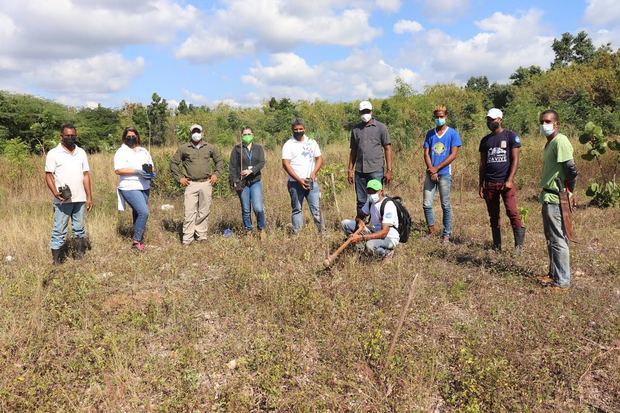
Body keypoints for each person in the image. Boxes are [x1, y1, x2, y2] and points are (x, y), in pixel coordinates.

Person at [538, 109, 577, 290]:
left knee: (559, 239)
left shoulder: (561, 141)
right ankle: (553, 274)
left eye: (547, 121)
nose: (544, 125)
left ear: (556, 124)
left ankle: (562, 282)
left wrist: (570, 191)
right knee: (551, 238)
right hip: (548, 195)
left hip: (556, 196)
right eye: (542, 121)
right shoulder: (550, 143)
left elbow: (571, 169)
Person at [478, 108, 526, 254]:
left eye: (492, 119)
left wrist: (510, 180)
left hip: (505, 183)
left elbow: (515, 160)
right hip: (490, 183)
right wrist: (481, 184)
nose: (490, 122)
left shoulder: (511, 136)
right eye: (488, 119)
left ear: (500, 119)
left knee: (512, 212)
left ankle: (518, 246)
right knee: (493, 215)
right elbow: (482, 164)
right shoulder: (485, 140)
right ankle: (497, 245)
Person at [44, 123, 93, 264]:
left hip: (80, 198)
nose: (70, 138)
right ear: (61, 136)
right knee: (59, 231)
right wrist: (55, 192)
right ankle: (57, 262)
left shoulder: (81, 152)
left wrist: (89, 196)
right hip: (63, 200)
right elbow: (48, 175)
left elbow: (86, 175)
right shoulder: (54, 153)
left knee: (79, 229)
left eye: (73, 136)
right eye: (67, 136)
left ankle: (79, 258)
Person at [170, 123, 224, 245]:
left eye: (198, 131)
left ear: (202, 133)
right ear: (190, 133)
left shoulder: (210, 147)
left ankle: (201, 236)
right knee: (189, 211)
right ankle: (187, 239)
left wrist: (216, 174)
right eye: (194, 132)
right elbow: (173, 163)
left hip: (206, 183)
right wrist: (179, 178)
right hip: (190, 184)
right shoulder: (184, 148)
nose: (196, 134)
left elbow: (219, 161)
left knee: (204, 211)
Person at [422, 104, 462, 242]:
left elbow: (453, 154)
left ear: (446, 116)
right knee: (427, 204)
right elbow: (426, 153)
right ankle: (431, 231)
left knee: (445, 204)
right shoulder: (430, 133)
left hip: (444, 173)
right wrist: (431, 169)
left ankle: (446, 233)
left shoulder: (452, 134)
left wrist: (437, 168)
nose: (439, 119)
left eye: (441, 116)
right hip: (430, 173)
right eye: (437, 116)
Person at [348, 100, 393, 215]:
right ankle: (361, 227)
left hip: (376, 169)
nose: (365, 114)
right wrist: (350, 170)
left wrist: (389, 170)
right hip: (360, 171)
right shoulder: (355, 130)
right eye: (363, 111)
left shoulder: (381, 127)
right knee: (361, 201)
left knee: (377, 199)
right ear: (359, 112)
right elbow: (353, 151)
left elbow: (387, 148)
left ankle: (379, 225)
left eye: (367, 111)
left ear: (371, 111)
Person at [114, 127, 155, 251]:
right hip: (129, 186)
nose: (131, 138)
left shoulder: (143, 151)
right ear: (124, 138)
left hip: (144, 185)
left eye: (133, 136)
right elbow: (118, 170)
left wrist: (151, 173)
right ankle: (136, 241)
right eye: (128, 136)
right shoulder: (121, 152)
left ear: (137, 136)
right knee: (144, 212)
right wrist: (136, 171)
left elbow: (151, 166)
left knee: (138, 213)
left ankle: (139, 240)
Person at [281, 117, 323, 234]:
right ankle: (297, 235)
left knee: (316, 210)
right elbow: (286, 164)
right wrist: (299, 180)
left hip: (311, 182)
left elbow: (319, 158)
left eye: (300, 129)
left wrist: (314, 172)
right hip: (295, 183)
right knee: (297, 209)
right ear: (292, 130)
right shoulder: (288, 144)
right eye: (296, 129)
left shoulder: (312, 142)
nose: (298, 131)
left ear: (304, 129)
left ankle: (323, 233)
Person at [341, 179, 399, 258]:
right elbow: (359, 216)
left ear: (381, 191)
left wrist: (361, 238)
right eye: (369, 192)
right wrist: (359, 221)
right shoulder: (370, 202)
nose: (371, 194)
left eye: (374, 192)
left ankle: (387, 253)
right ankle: (360, 249)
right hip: (374, 231)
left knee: (370, 246)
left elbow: (384, 232)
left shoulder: (388, 205)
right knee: (345, 224)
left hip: (389, 237)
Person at [229, 127, 266, 237]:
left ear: (253, 135)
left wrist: (251, 170)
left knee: (258, 208)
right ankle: (248, 231)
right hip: (242, 183)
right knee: (246, 209)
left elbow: (262, 162)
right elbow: (232, 167)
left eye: (249, 134)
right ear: (242, 136)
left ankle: (261, 229)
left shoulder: (258, 148)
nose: (247, 136)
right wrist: (235, 180)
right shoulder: (237, 149)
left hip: (255, 181)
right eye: (245, 134)